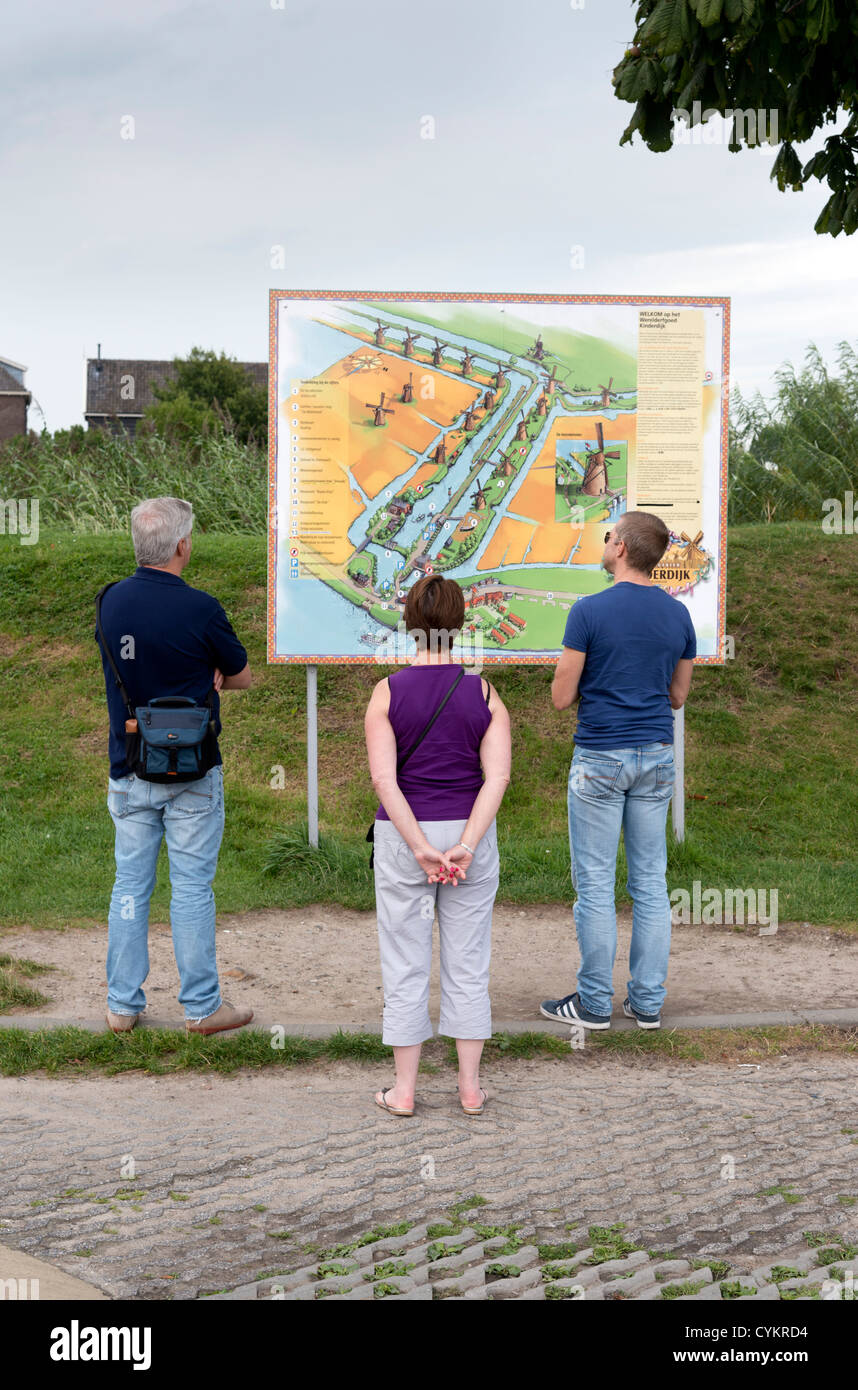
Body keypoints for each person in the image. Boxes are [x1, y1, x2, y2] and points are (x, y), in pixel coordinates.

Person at [95, 496, 253, 1036]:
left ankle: (122, 1005)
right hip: (194, 770)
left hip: (130, 764)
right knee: (190, 889)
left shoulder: (109, 603)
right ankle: (203, 1008)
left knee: (130, 887)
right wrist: (213, 677)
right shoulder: (202, 607)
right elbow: (242, 676)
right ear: (182, 545)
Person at [541, 511, 695, 1031]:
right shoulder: (679, 618)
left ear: (623, 549)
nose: (604, 542)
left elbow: (562, 697)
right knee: (651, 884)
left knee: (596, 885)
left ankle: (593, 1005)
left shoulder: (588, 611)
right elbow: (677, 696)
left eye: (608, 536)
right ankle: (647, 1004)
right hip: (655, 757)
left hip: (601, 757)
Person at [364, 575, 511, 1117]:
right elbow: (495, 779)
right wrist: (466, 843)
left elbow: (385, 781)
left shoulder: (387, 691)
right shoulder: (485, 692)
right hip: (470, 836)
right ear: (462, 622)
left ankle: (403, 1092)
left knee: (404, 963)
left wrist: (421, 846)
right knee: (468, 964)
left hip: (406, 838)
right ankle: (470, 1090)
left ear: (408, 623)